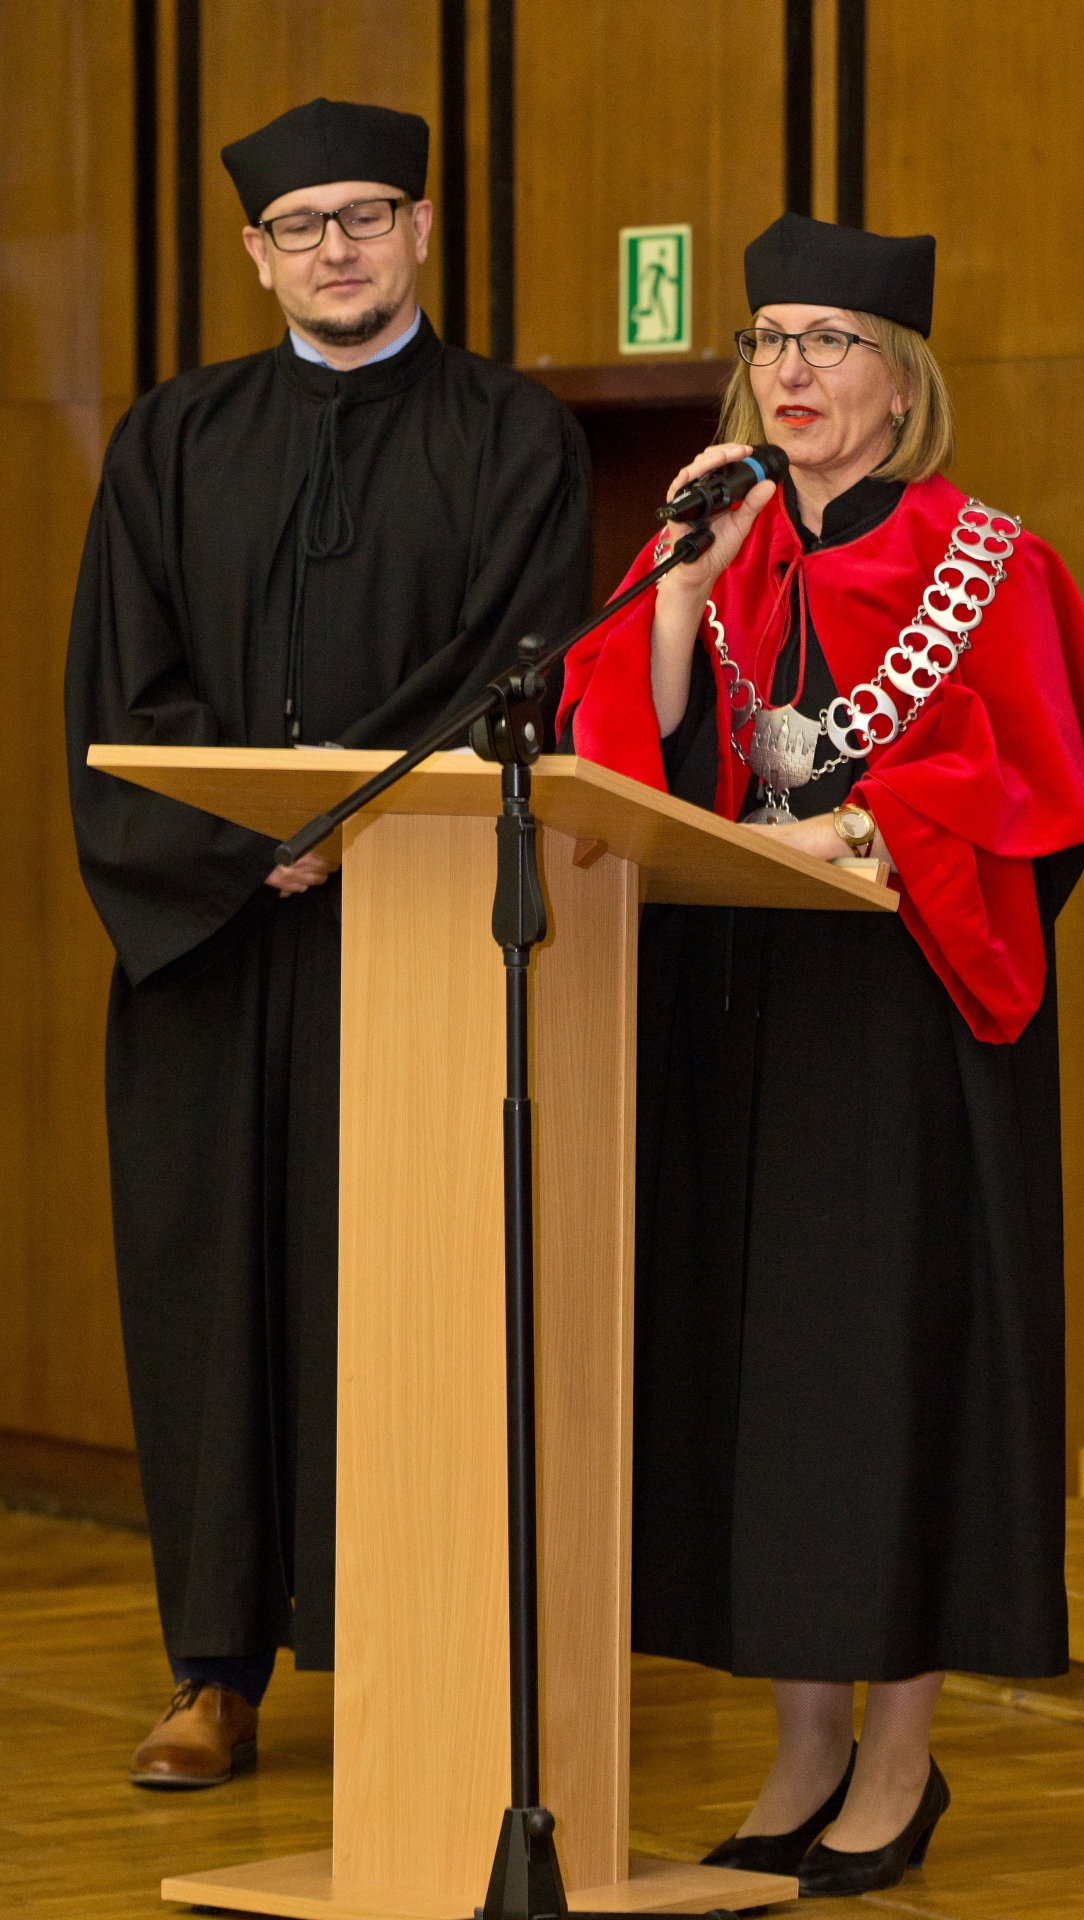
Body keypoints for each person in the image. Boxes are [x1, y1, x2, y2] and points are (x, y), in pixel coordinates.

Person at [558, 212, 1084, 1897]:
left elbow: (1039, 803)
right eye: (770, 340)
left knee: (888, 1377)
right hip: (741, 1017)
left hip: (905, 1029)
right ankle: (801, 1745)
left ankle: (899, 1757)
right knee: (768, 1385)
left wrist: (867, 828)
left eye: (831, 341)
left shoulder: (991, 563)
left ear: (903, 380)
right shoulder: (723, 558)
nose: (792, 370)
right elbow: (624, 748)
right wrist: (681, 580)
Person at [64, 96, 591, 1789]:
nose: (338, 249)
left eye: (368, 216)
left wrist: (346, 819)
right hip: (213, 947)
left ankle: (416, 1664)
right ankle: (213, 1673)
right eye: (303, 227)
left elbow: (514, 664)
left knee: (411, 1297)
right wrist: (246, 842)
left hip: (417, 928)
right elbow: (120, 684)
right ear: (256, 252)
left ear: (423, 230)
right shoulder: (174, 437)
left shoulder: (513, 436)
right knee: (211, 1305)